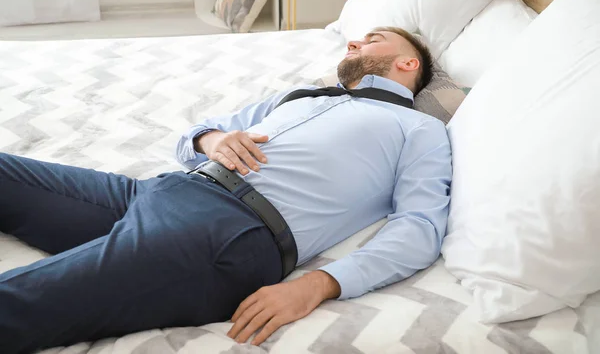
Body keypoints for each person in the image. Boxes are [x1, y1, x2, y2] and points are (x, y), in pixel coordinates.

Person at [0, 26, 452, 353]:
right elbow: (195, 136)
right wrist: (211, 140)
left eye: (372, 39)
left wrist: (323, 283)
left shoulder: (419, 129)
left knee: (22, 300)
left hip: (226, 234)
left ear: (407, 63)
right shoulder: (300, 96)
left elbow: (419, 226)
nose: (353, 42)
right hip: (157, 192)